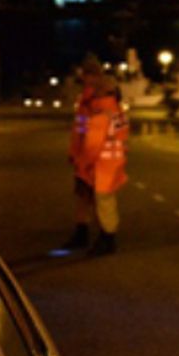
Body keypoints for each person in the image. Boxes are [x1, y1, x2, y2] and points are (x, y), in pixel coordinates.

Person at [62, 56, 129, 254]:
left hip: (98, 164)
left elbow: (91, 142)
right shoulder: (116, 111)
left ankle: (105, 238)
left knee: (100, 200)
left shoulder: (97, 111)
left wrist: (80, 160)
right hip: (111, 163)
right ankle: (102, 236)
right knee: (100, 200)